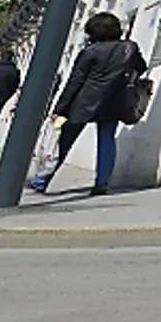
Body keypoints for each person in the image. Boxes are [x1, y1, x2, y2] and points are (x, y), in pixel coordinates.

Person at [28, 13, 146, 196]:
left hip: (84, 101)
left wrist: (60, 108)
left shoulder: (90, 52)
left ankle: (41, 180)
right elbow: (141, 67)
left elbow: (75, 81)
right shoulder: (129, 48)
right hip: (114, 99)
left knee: (64, 141)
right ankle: (102, 182)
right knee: (107, 140)